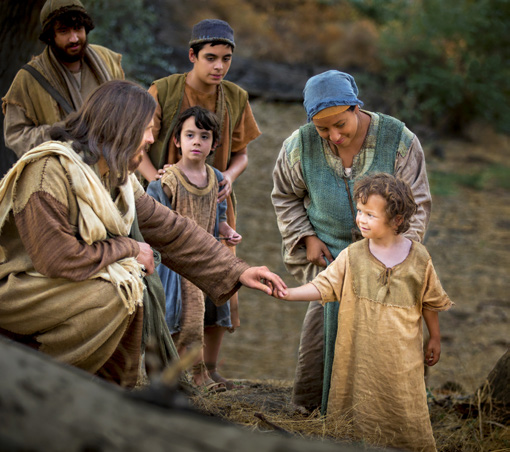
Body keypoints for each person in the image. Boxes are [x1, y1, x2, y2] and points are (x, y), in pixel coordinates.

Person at [0, 80, 286, 389]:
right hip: (21, 290)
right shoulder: (48, 171)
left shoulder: (117, 175)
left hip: (63, 286)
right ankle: (35, 381)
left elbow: (171, 230)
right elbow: (57, 258)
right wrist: (129, 248)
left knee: (124, 286)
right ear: (120, 127)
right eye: (146, 129)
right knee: (116, 291)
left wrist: (238, 271)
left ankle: (108, 392)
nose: (151, 139)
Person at [271, 70, 432, 412]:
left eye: (340, 125)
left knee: (390, 335)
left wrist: (392, 254)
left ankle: (391, 414)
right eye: (323, 130)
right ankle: (316, 413)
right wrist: (307, 236)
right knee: (321, 336)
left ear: (356, 107)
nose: (334, 136)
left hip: (386, 259)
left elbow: (416, 204)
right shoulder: (298, 147)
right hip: (328, 259)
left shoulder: (399, 141)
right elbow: (284, 196)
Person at [273, 173, 452, 451]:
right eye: (359, 211)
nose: (361, 219)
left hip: (402, 359)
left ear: (396, 220)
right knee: (357, 410)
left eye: (370, 214)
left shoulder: (419, 258)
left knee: (403, 407)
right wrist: (288, 294)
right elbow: (324, 286)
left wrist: (435, 338)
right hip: (359, 358)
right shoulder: (353, 255)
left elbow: (430, 301)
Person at [139, 19, 261, 388]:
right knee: (172, 284)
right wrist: (154, 181)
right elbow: (142, 144)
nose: (219, 67)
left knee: (220, 277)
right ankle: (168, 363)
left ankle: (209, 367)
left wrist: (228, 178)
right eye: (210, 58)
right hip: (169, 197)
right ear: (192, 55)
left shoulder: (236, 97)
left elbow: (241, 155)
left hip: (214, 197)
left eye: (226, 59)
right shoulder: (164, 90)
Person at [147, 106, 241, 392]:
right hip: (175, 265)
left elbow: (219, 216)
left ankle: (200, 376)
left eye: (204, 136)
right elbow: (153, 220)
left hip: (205, 261)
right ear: (177, 140)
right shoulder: (169, 180)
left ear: (214, 144)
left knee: (199, 319)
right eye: (190, 135)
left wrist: (227, 232)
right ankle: (165, 376)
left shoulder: (216, 179)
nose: (197, 142)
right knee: (177, 321)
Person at [2, 0, 124, 159]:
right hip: (61, 173)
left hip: (111, 166)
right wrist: (63, 132)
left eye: (78, 29)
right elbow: (15, 136)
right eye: (64, 31)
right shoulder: (28, 78)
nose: (74, 38)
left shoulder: (107, 59)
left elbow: (126, 111)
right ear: (50, 36)